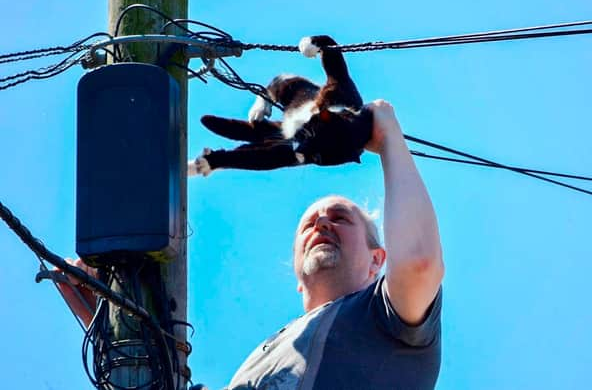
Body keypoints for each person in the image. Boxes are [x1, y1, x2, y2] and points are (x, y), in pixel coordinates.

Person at [59, 99, 445, 389]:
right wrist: (107, 312)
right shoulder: (259, 362)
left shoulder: (385, 317)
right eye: (310, 223)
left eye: (340, 219)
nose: (323, 223)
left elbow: (418, 264)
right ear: (296, 271)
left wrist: (390, 136)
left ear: (378, 259)